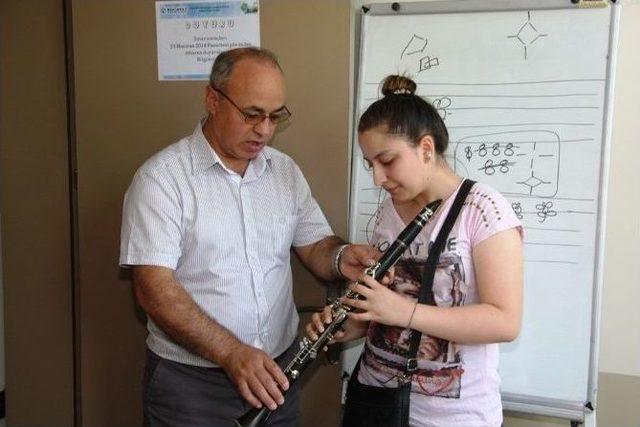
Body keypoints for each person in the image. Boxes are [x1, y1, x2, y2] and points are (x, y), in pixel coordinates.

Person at [119, 47, 375, 427]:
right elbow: (153, 290)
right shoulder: (162, 180)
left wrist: (341, 258)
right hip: (191, 388)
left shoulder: (284, 172)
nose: (265, 130)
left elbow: (316, 245)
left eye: (276, 116)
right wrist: (231, 353)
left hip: (278, 374)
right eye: (252, 115)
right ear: (212, 99)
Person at [306, 75, 524, 427]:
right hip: (375, 403)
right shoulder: (389, 210)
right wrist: (353, 325)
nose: (377, 178)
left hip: (452, 417)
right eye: (369, 164)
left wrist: (403, 311)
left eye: (387, 160)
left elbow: (504, 321)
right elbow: (384, 314)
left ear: (426, 148)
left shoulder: (484, 211)